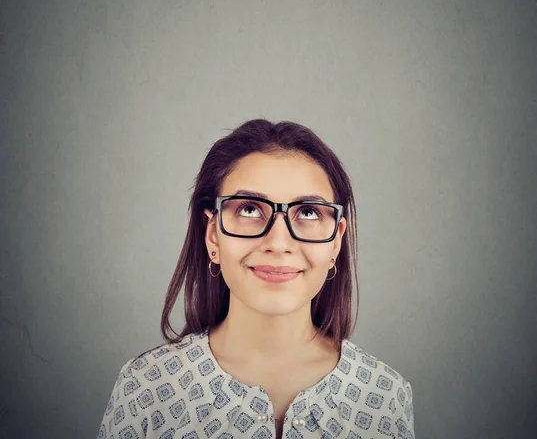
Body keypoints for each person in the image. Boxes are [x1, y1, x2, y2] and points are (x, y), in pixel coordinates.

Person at [96, 118, 415, 439]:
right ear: (213, 236)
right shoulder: (147, 388)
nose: (278, 243)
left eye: (307, 212)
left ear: (335, 242)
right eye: (249, 209)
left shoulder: (384, 396)